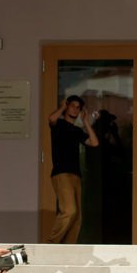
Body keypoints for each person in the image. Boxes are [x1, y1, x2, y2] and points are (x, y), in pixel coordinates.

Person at [47, 94, 99, 243]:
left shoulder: (76, 131)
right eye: (73, 106)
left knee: (77, 217)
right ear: (67, 106)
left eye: (79, 107)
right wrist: (62, 107)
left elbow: (94, 142)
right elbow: (51, 119)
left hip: (75, 175)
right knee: (69, 211)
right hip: (61, 173)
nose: (76, 109)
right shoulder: (59, 125)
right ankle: (51, 243)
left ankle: (68, 247)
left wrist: (86, 121)